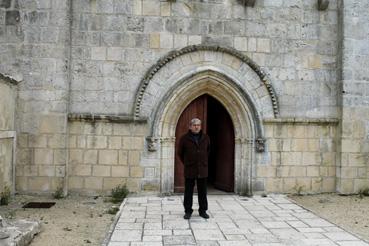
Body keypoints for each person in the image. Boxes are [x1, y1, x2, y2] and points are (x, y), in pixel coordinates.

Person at [178, 118, 210, 220]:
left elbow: (208, 151)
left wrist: (202, 161)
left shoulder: (206, 138)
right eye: (194, 125)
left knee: (202, 191)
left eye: (198, 125)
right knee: (188, 191)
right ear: (190, 126)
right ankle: (188, 211)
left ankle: (203, 211)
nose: (196, 127)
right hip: (190, 169)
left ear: (200, 126)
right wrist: (187, 163)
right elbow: (180, 153)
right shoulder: (184, 138)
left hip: (202, 169)